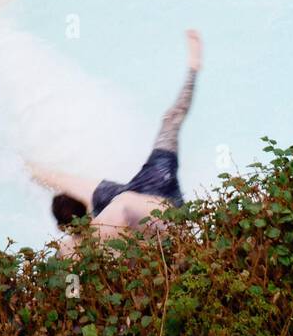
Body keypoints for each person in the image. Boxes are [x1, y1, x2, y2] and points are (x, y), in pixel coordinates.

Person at [30, 30, 203, 245]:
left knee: (170, 120)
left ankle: (194, 67)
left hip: (153, 200)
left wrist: (193, 68)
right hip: (136, 189)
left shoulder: (112, 215)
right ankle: (24, 167)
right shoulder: (113, 202)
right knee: (51, 178)